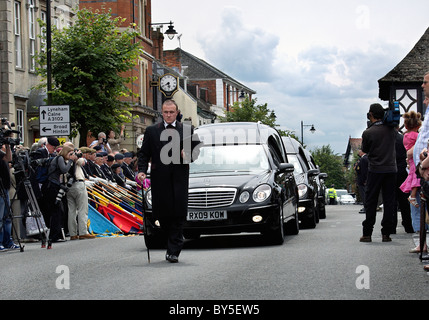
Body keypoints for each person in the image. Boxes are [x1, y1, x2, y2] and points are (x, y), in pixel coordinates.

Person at [137, 99, 200, 263]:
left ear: (177, 113)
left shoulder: (186, 130)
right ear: (161, 113)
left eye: (172, 112)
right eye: (166, 112)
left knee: (178, 214)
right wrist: (142, 171)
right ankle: (172, 239)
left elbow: (195, 153)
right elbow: (143, 154)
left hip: (179, 178)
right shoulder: (151, 131)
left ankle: (173, 250)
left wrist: (186, 155)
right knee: (163, 215)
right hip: (160, 179)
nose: (169, 115)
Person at [360, 103, 397, 243]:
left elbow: (365, 149)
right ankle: (386, 233)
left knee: (371, 201)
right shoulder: (391, 130)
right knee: (389, 201)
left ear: (371, 115)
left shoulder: (368, 133)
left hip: (375, 169)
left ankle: (367, 233)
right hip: (391, 169)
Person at [41, 145, 74, 247]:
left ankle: (55, 234)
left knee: (58, 210)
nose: (71, 156)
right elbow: (64, 170)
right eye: (70, 154)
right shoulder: (59, 158)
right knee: (56, 210)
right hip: (51, 186)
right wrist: (71, 162)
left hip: (54, 185)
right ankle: (53, 236)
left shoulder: (59, 159)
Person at [67, 149, 94, 240]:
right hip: (78, 184)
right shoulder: (75, 159)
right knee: (83, 208)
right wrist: (78, 155)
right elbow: (82, 162)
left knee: (72, 210)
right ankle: (83, 232)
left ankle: (73, 233)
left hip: (68, 186)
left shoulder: (63, 159)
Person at [0, 141, 19, 252]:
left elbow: (9, 158)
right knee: (1, 218)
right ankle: (1, 241)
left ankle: (8, 241)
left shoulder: (2, 153)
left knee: (7, 217)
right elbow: (7, 159)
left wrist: (7, 146)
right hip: (0, 189)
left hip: (5, 188)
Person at [400, 111, 422, 207]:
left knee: (412, 176)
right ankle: (412, 196)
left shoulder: (406, 136)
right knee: (416, 177)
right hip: (415, 158)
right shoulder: (416, 136)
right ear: (417, 126)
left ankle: (412, 195)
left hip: (410, 159)